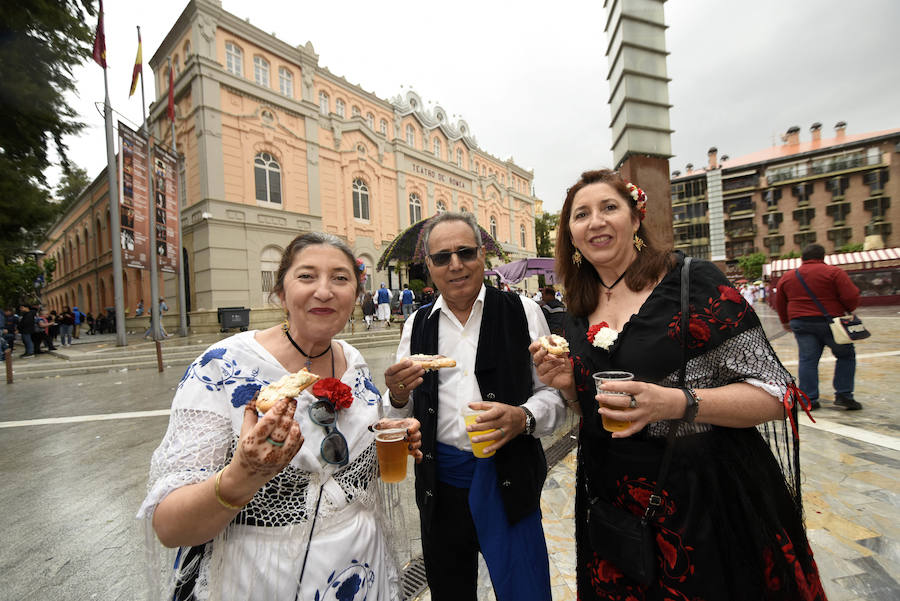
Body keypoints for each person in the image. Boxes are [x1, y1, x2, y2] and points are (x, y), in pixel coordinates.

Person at [530, 169, 825, 601]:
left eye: (609, 207)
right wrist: (569, 388)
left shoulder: (693, 283)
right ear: (570, 236)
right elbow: (589, 411)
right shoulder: (576, 309)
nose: (595, 221)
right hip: (610, 501)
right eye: (581, 214)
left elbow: (776, 394)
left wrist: (676, 402)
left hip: (702, 496)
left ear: (635, 219)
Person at [138, 232, 423, 601]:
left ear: (356, 293)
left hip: (361, 571)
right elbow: (169, 526)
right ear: (281, 292)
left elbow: (344, 467)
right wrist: (242, 475)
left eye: (340, 278)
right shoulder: (223, 366)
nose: (325, 291)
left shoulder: (353, 361)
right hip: (261, 578)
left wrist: (390, 433)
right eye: (306, 276)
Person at [383, 212, 566, 601]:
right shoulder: (416, 325)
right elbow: (401, 414)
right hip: (441, 484)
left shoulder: (523, 312)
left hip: (510, 476)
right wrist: (398, 397)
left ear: (482, 256)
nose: (455, 265)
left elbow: (557, 396)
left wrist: (524, 417)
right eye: (442, 257)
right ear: (428, 266)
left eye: (465, 252)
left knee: (525, 588)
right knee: (450, 590)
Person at [775, 243, 862, 411]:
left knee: (808, 360)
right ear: (823, 257)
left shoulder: (789, 276)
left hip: (801, 322)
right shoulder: (834, 272)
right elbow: (851, 295)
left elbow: (780, 301)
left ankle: (809, 399)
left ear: (802, 258)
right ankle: (844, 395)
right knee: (846, 356)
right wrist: (849, 309)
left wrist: (785, 321)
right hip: (831, 322)